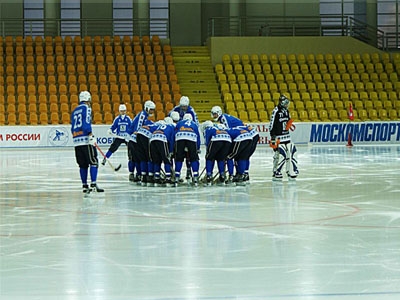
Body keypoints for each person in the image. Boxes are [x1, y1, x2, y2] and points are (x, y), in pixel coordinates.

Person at [70, 91, 104, 194]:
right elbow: (86, 122)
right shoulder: (86, 108)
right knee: (93, 161)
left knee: (82, 165)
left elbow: (72, 127)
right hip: (85, 139)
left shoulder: (74, 110)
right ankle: (93, 184)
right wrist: (89, 134)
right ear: (88, 99)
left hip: (76, 141)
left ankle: (85, 186)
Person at [269, 94, 299, 180]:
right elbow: (271, 124)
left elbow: (288, 121)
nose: (287, 105)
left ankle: (291, 170)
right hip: (279, 137)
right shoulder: (276, 111)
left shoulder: (287, 111)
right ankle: (276, 170)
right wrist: (273, 136)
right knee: (280, 154)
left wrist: (290, 124)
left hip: (287, 136)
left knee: (292, 152)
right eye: (285, 103)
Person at [127, 100, 156, 183]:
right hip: (134, 138)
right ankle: (136, 174)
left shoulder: (144, 115)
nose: (152, 112)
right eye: (151, 110)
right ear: (147, 108)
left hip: (134, 139)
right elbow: (138, 128)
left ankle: (139, 174)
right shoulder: (143, 115)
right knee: (137, 158)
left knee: (138, 158)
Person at [174, 113, 201, 186]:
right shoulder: (194, 124)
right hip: (191, 138)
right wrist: (197, 148)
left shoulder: (179, 123)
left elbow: (175, 133)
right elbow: (198, 137)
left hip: (180, 138)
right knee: (194, 158)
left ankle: (176, 177)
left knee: (179, 158)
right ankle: (195, 177)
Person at [202, 121, 232, 185]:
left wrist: (208, 152)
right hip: (227, 140)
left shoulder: (208, 129)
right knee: (221, 158)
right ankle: (222, 176)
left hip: (216, 140)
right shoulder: (219, 128)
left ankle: (209, 175)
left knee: (209, 158)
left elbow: (207, 141)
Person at [149, 117, 176, 186]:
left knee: (156, 160)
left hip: (152, 140)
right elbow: (171, 140)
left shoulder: (159, 126)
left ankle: (156, 177)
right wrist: (171, 151)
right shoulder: (171, 127)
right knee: (167, 159)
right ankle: (168, 178)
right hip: (162, 139)